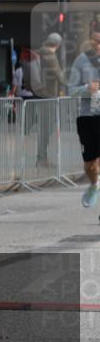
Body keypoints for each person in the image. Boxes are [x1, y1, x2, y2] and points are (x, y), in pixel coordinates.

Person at [69, 28, 100, 209]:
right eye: (95, 41)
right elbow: (71, 90)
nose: (98, 45)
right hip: (87, 116)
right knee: (90, 164)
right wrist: (86, 89)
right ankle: (94, 185)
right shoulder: (82, 60)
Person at [32, 33, 65, 167]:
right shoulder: (50, 56)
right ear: (58, 44)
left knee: (44, 127)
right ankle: (41, 159)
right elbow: (60, 77)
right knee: (46, 128)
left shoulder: (38, 52)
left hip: (38, 94)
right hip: (48, 95)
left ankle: (41, 157)